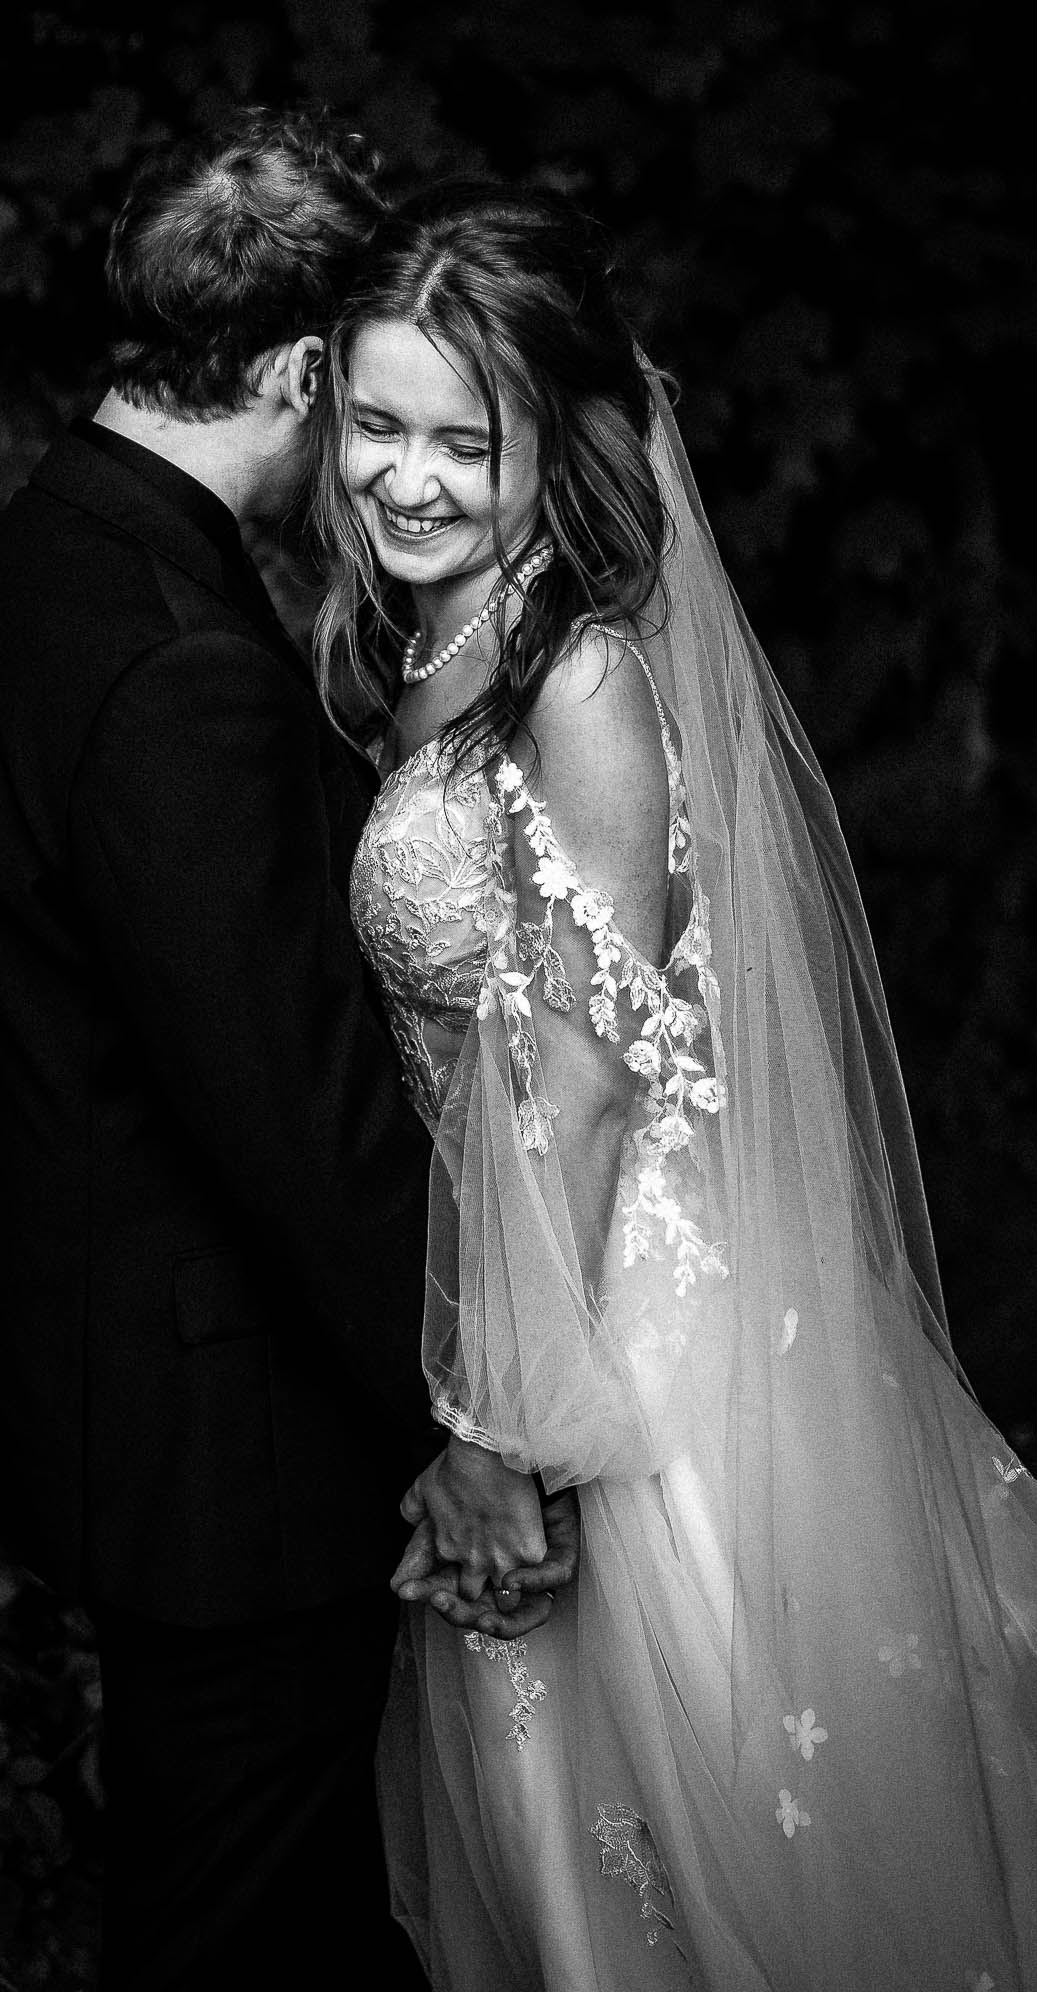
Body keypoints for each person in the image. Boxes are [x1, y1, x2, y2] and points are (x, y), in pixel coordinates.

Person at [310, 179, 1037, 1991]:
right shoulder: (431, 645)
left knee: (698, 1828)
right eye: (372, 423)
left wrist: (499, 1436)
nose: (401, 478)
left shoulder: (583, 684)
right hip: (513, 1282)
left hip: (625, 1329)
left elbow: (580, 1082)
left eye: (458, 443)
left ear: (552, 437)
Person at [0, 111, 571, 1990]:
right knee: (235, 1930)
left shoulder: (30, 564)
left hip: (110, 1369)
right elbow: (293, 1115)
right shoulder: (177, 663)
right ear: (297, 369)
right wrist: (470, 1413)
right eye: (354, 402)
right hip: (223, 1438)